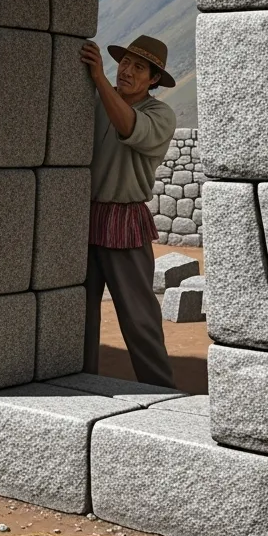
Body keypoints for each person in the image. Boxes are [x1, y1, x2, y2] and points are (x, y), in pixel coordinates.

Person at [80, 34, 178, 388]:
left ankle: (161, 392)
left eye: (139, 67)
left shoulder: (160, 115)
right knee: (80, 313)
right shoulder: (96, 100)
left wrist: (98, 78)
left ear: (154, 79)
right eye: (124, 63)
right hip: (84, 219)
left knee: (139, 317)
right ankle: (81, 384)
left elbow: (128, 125)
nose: (127, 71)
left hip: (124, 221)